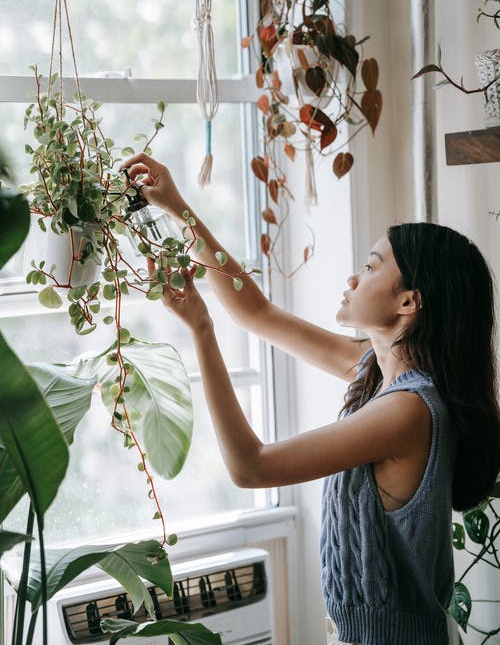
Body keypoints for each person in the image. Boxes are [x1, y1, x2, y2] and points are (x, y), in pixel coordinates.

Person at [123, 152, 500, 645]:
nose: (352, 278)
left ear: (409, 302)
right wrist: (179, 211)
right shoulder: (377, 372)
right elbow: (255, 310)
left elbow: (250, 466)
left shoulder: (407, 411)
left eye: (370, 267)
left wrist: (201, 328)